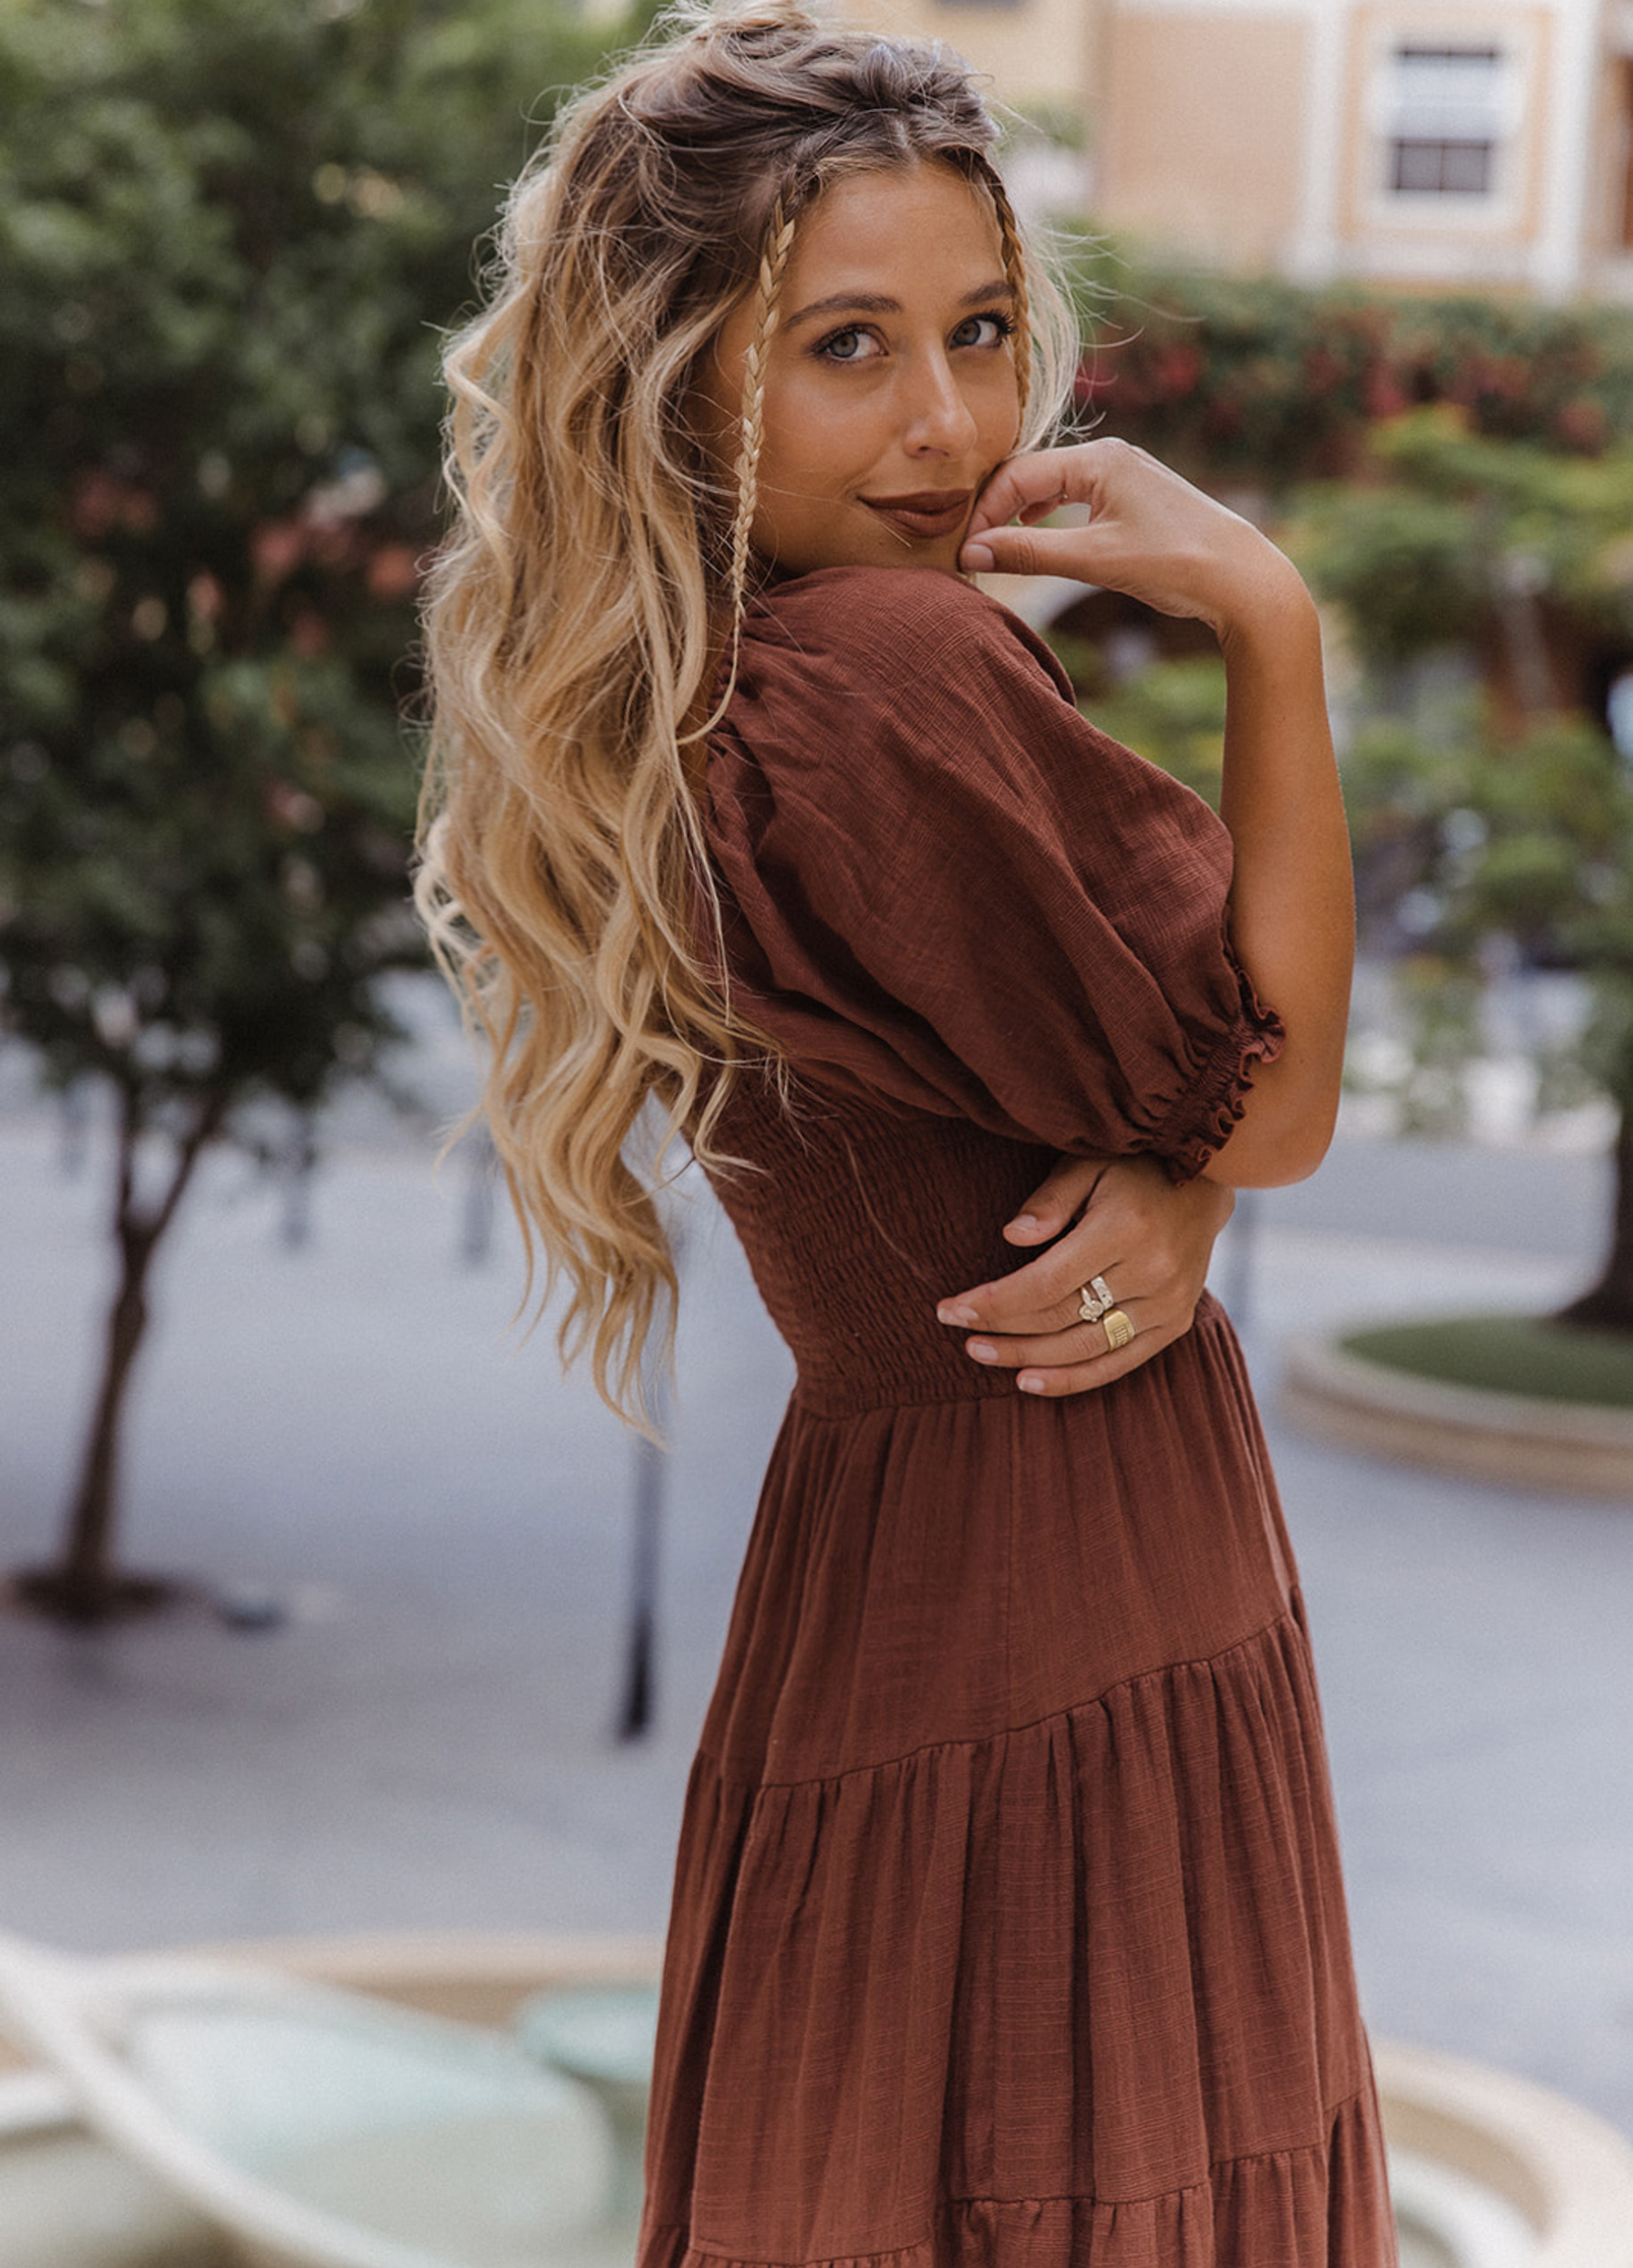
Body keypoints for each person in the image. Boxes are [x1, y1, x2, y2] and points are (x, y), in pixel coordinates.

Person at [416, 4, 1396, 2263]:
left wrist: (1175, 1185)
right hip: (1071, 1584)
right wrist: (1268, 617)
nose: (951, 423)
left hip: (883, 1585)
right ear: (675, 376)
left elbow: (1145, 1138)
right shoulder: (893, 679)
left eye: (975, 330)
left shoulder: (701, 689)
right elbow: (1287, 1104)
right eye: (846, 346)